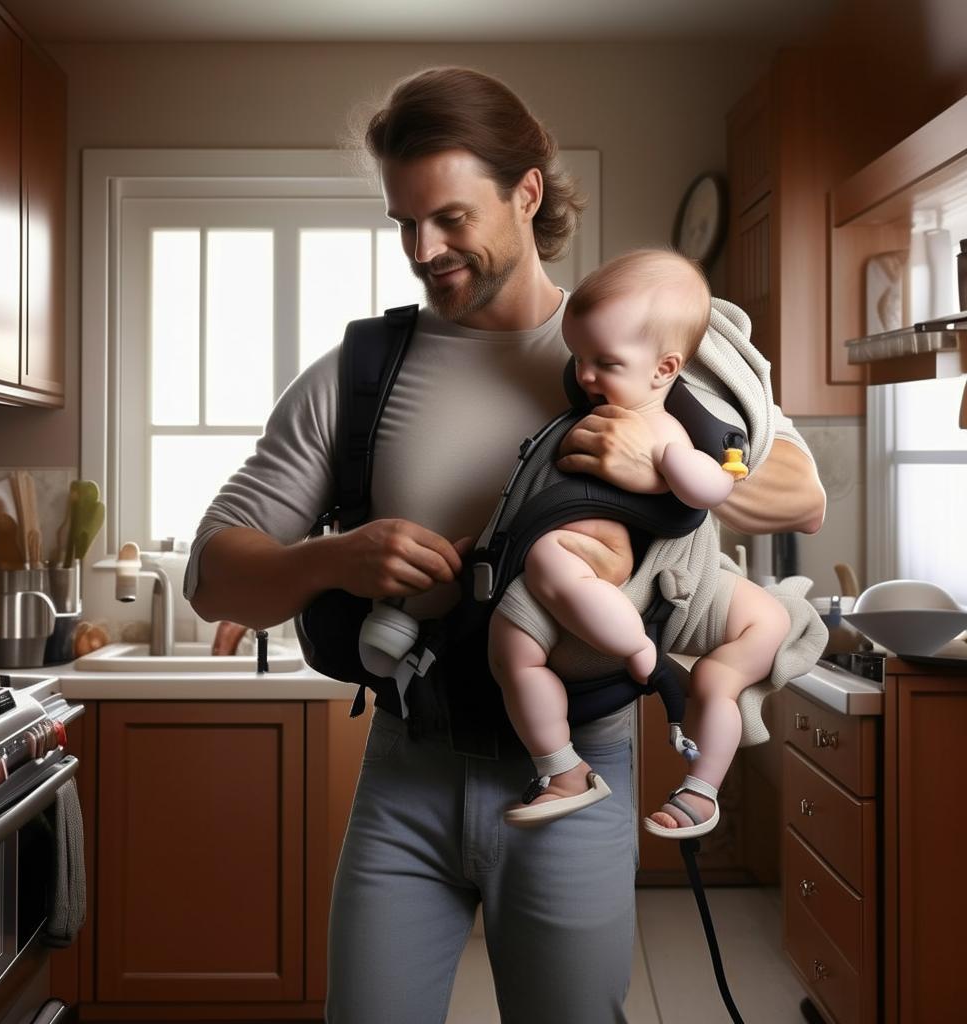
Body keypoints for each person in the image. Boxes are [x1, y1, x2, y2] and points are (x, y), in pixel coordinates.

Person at [185, 66, 826, 1024]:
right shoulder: (357, 374)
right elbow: (211, 575)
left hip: (588, 767)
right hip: (406, 775)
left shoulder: (630, 335)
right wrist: (334, 557)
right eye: (403, 222)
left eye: (448, 217)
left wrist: (662, 458)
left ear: (528, 193)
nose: (422, 249)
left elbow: (803, 493)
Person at [490, 249, 792, 834]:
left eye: (605, 362)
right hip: (589, 575)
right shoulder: (586, 411)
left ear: (664, 368)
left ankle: (701, 786)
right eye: (578, 358)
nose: (585, 376)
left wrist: (681, 468)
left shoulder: (664, 429)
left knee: (755, 637)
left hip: (653, 579)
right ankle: (561, 765)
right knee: (510, 651)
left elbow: (710, 487)